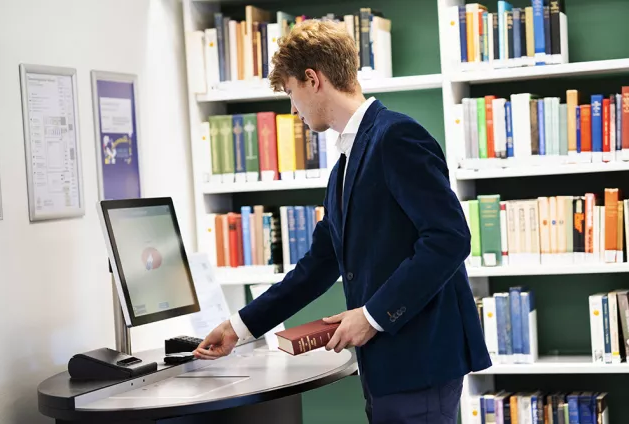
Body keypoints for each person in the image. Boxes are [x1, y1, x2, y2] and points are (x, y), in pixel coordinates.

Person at [194, 19, 492, 424]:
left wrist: (371, 316)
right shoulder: (344, 166)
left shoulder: (396, 137)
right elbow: (318, 266)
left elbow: (449, 239)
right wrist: (238, 327)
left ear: (313, 79)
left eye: (290, 93)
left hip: (419, 362)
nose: (293, 109)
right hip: (386, 367)